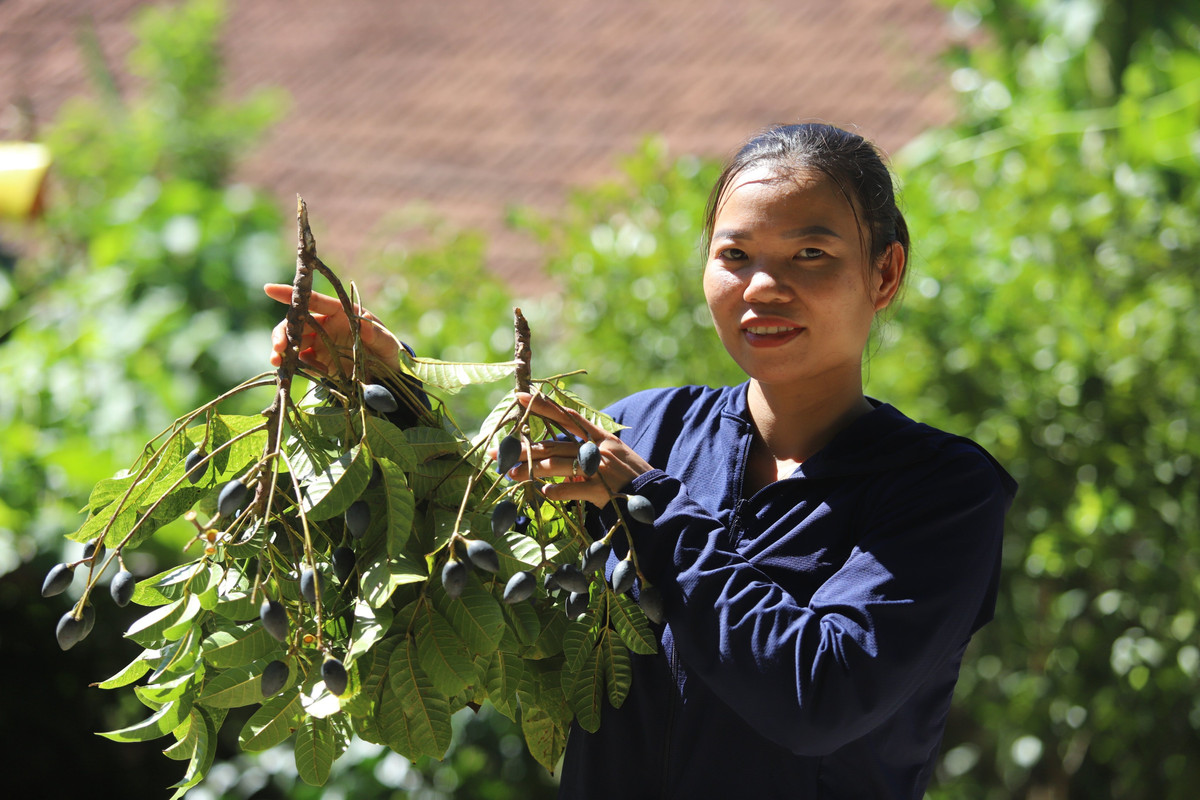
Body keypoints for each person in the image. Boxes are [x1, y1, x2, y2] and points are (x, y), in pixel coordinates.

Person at [267, 122, 1017, 799]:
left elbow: (817, 695)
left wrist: (649, 506)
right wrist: (384, 391)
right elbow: (475, 554)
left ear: (884, 274)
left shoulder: (943, 492)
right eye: (735, 255)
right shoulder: (644, 428)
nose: (762, 287)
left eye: (810, 254)